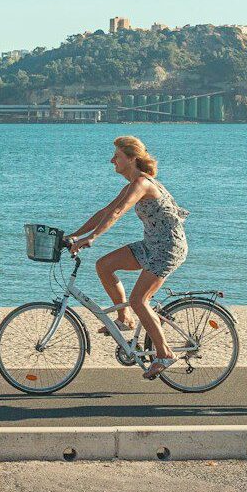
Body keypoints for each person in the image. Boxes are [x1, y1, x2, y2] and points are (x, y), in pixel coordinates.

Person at [64, 135, 189, 380]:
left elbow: (119, 212)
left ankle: (165, 354)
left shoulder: (142, 183)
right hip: (151, 245)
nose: (112, 160)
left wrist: (93, 237)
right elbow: (106, 210)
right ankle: (125, 320)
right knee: (104, 265)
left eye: (117, 156)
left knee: (138, 300)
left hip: (168, 248)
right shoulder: (133, 183)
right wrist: (74, 235)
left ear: (131, 159)